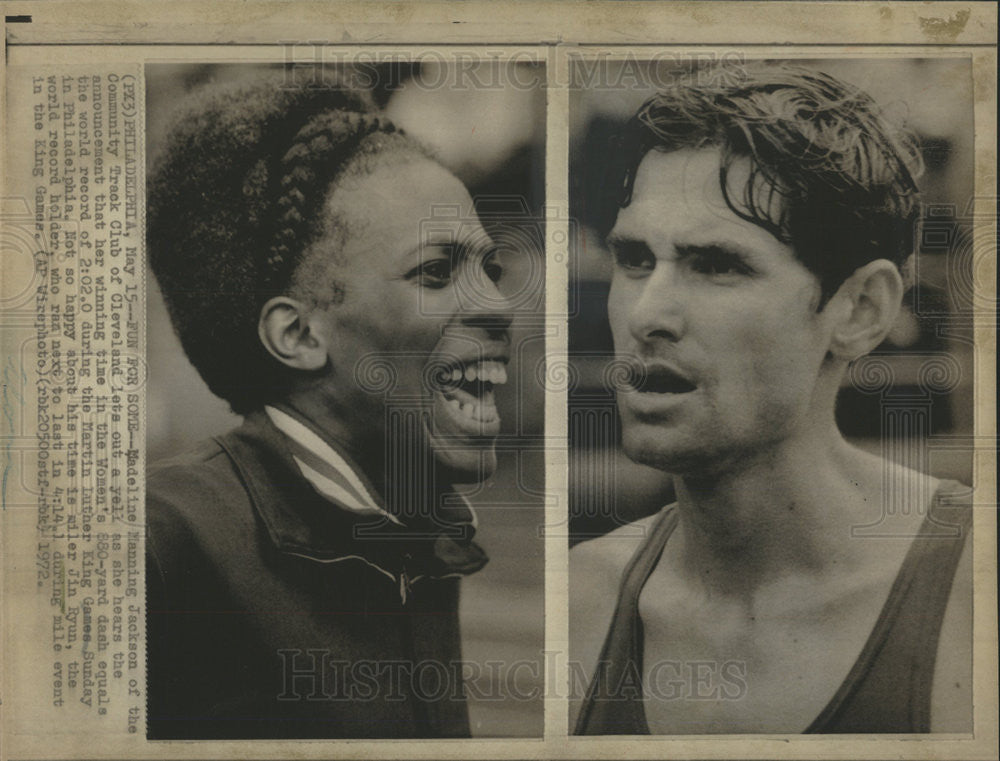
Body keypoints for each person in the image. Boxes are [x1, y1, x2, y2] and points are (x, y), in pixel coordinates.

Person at [570, 63, 972, 734]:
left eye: (717, 265)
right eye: (636, 258)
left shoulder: (972, 590)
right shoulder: (591, 594)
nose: (646, 313)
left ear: (860, 309)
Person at [145, 70, 514, 739]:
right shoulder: (158, 548)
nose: (497, 303)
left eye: (489, 268)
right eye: (436, 271)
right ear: (299, 334)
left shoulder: (413, 527)